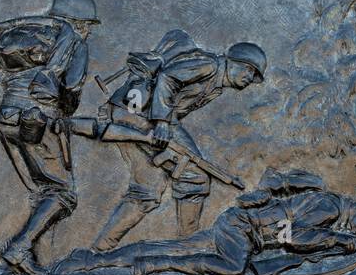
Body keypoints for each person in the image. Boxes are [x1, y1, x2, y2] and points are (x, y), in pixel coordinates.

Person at [91, 31, 266, 251]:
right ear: (233, 61)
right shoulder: (210, 65)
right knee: (196, 176)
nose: (250, 78)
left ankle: (99, 250)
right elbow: (168, 77)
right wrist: (162, 122)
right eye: (249, 70)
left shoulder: (217, 84)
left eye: (254, 75)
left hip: (135, 114)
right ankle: (187, 247)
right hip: (139, 115)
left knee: (146, 191)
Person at [56, 169, 356, 275]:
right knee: (234, 268)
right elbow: (295, 238)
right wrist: (336, 241)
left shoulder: (328, 206)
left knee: (172, 244)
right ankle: (153, 265)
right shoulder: (327, 206)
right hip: (242, 230)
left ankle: (89, 260)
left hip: (240, 227)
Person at [0, 0, 97, 275]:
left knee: (41, 190)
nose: (89, 31)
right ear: (79, 22)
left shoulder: (23, 43)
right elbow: (72, 88)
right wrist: (66, 110)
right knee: (63, 193)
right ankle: (19, 248)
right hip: (41, 118)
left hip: (6, 116)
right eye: (88, 25)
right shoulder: (73, 41)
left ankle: (39, 257)